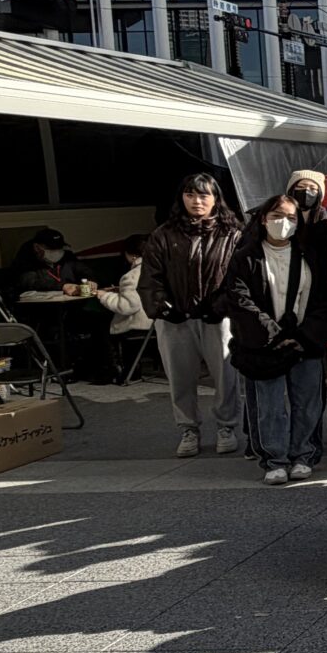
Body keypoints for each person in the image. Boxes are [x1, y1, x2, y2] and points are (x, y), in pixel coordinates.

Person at [224, 194, 327, 483]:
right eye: (276, 216)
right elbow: (241, 301)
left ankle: (303, 455)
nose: (283, 223)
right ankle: (274, 459)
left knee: (307, 403)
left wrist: (303, 336)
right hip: (263, 344)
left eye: (290, 217)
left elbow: (323, 300)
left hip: (305, 341)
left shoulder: (309, 255)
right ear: (263, 219)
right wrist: (273, 334)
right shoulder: (245, 257)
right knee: (269, 405)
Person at [141, 173, 245, 458]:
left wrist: (223, 305)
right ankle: (188, 428)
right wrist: (163, 307)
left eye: (203, 195)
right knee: (180, 377)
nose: (197, 201)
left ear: (216, 198)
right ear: (181, 198)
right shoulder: (163, 234)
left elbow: (240, 277)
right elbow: (150, 278)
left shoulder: (233, 233)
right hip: (175, 319)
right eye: (190, 194)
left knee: (225, 376)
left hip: (219, 318)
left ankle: (226, 427)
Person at [94, 235, 150, 338]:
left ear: (131, 255)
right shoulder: (159, 270)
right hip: (157, 326)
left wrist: (104, 296)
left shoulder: (132, 276)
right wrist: (121, 290)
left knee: (99, 326)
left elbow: (127, 306)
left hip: (137, 326)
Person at [5, 228, 87, 294]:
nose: (56, 251)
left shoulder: (67, 256)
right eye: (51, 248)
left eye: (59, 248)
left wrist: (90, 281)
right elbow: (31, 282)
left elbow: (83, 270)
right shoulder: (25, 259)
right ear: (37, 247)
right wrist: (63, 286)